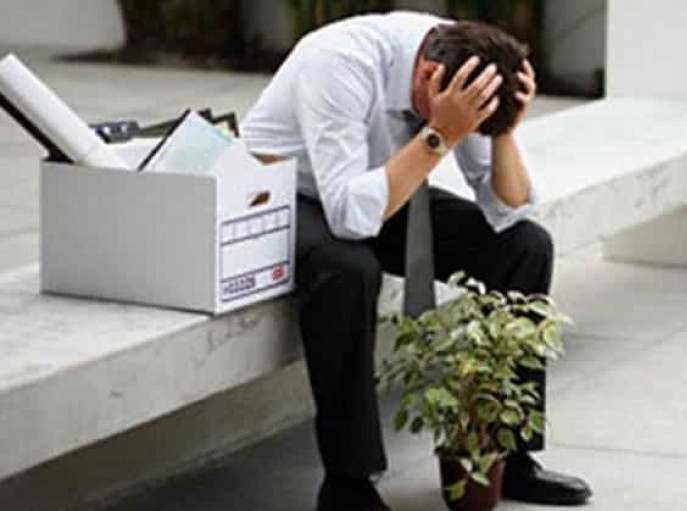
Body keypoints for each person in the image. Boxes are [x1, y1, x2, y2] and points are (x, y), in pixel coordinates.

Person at [241, 10, 592, 511]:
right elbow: (348, 215)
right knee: (350, 270)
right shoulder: (339, 62)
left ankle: (503, 456)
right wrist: (440, 134)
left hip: (380, 188)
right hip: (292, 192)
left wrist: (504, 131)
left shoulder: (466, 67)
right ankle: (347, 484)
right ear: (428, 76)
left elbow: (509, 208)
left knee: (525, 247)